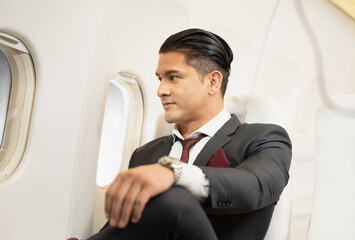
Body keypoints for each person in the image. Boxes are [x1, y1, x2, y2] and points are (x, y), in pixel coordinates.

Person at [87, 28, 292, 240]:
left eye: (173, 78)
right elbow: (122, 227)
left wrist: (173, 173)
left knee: (173, 199)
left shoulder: (264, 138)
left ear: (213, 82)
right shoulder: (144, 154)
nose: (161, 91)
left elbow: (256, 184)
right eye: (160, 79)